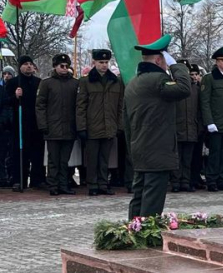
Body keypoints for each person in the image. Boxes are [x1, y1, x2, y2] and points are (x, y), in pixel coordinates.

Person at [124, 34, 191, 219]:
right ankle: (146, 233)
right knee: (153, 198)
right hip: (158, 148)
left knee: (139, 195)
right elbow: (185, 88)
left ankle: (133, 230)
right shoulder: (158, 81)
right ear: (160, 59)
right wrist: (176, 65)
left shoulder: (132, 84)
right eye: (165, 60)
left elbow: (126, 121)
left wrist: (132, 146)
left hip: (138, 147)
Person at [76, 49, 124, 196]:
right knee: (92, 159)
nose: (104, 65)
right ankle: (92, 185)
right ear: (94, 63)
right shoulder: (86, 81)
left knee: (105, 159)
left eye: (106, 62)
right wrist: (82, 127)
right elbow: (81, 105)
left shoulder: (115, 81)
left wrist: (119, 125)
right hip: (92, 126)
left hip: (109, 126)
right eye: (100, 62)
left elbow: (120, 106)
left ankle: (103, 184)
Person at [36, 54, 79, 196]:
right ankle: (53, 185)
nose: (65, 69)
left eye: (67, 66)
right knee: (53, 160)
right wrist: (43, 125)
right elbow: (40, 105)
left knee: (64, 160)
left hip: (69, 127)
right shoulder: (47, 83)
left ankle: (63, 184)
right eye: (62, 66)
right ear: (55, 66)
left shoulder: (74, 83)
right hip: (52, 127)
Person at [5, 56, 45, 191]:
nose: (29, 66)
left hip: (35, 123)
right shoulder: (13, 83)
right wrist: (15, 97)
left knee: (37, 153)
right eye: (25, 64)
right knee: (19, 153)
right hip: (19, 123)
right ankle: (19, 179)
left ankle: (37, 179)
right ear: (20, 66)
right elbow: (6, 102)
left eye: (30, 64)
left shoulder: (39, 82)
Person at [200, 46, 223, 192]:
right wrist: (209, 122)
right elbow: (205, 102)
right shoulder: (210, 78)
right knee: (214, 154)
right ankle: (211, 180)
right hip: (215, 123)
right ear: (217, 61)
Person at [171, 62, 202, 192]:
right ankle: (176, 182)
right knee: (177, 158)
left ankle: (186, 181)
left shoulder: (196, 89)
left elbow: (200, 109)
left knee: (188, 158)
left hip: (192, 128)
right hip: (177, 128)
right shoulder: (174, 88)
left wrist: (199, 126)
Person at [0, 65, 15, 187]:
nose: (6, 76)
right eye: (5, 74)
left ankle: (7, 176)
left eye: (9, 74)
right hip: (3, 124)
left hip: (8, 125)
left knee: (8, 153)